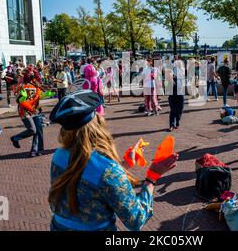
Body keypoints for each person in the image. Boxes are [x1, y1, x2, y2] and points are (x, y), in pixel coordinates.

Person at [48, 90, 179, 231]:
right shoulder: (108, 170)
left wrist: (124, 166)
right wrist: (152, 178)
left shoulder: (58, 155)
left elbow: (85, 177)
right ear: (96, 125)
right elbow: (136, 220)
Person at [10, 69, 44, 158]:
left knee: (38, 129)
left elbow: (35, 97)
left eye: (33, 74)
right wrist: (22, 97)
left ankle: (36, 150)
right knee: (32, 130)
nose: (32, 75)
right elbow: (19, 100)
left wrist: (38, 106)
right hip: (24, 111)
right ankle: (15, 138)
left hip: (33, 110)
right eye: (30, 74)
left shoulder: (35, 84)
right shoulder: (21, 86)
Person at [167, 62, 185, 132]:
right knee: (172, 111)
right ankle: (171, 125)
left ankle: (177, 121)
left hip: (180, 96)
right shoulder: (167, 80)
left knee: (179, 111)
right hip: (172, 97)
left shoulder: (180, 78)